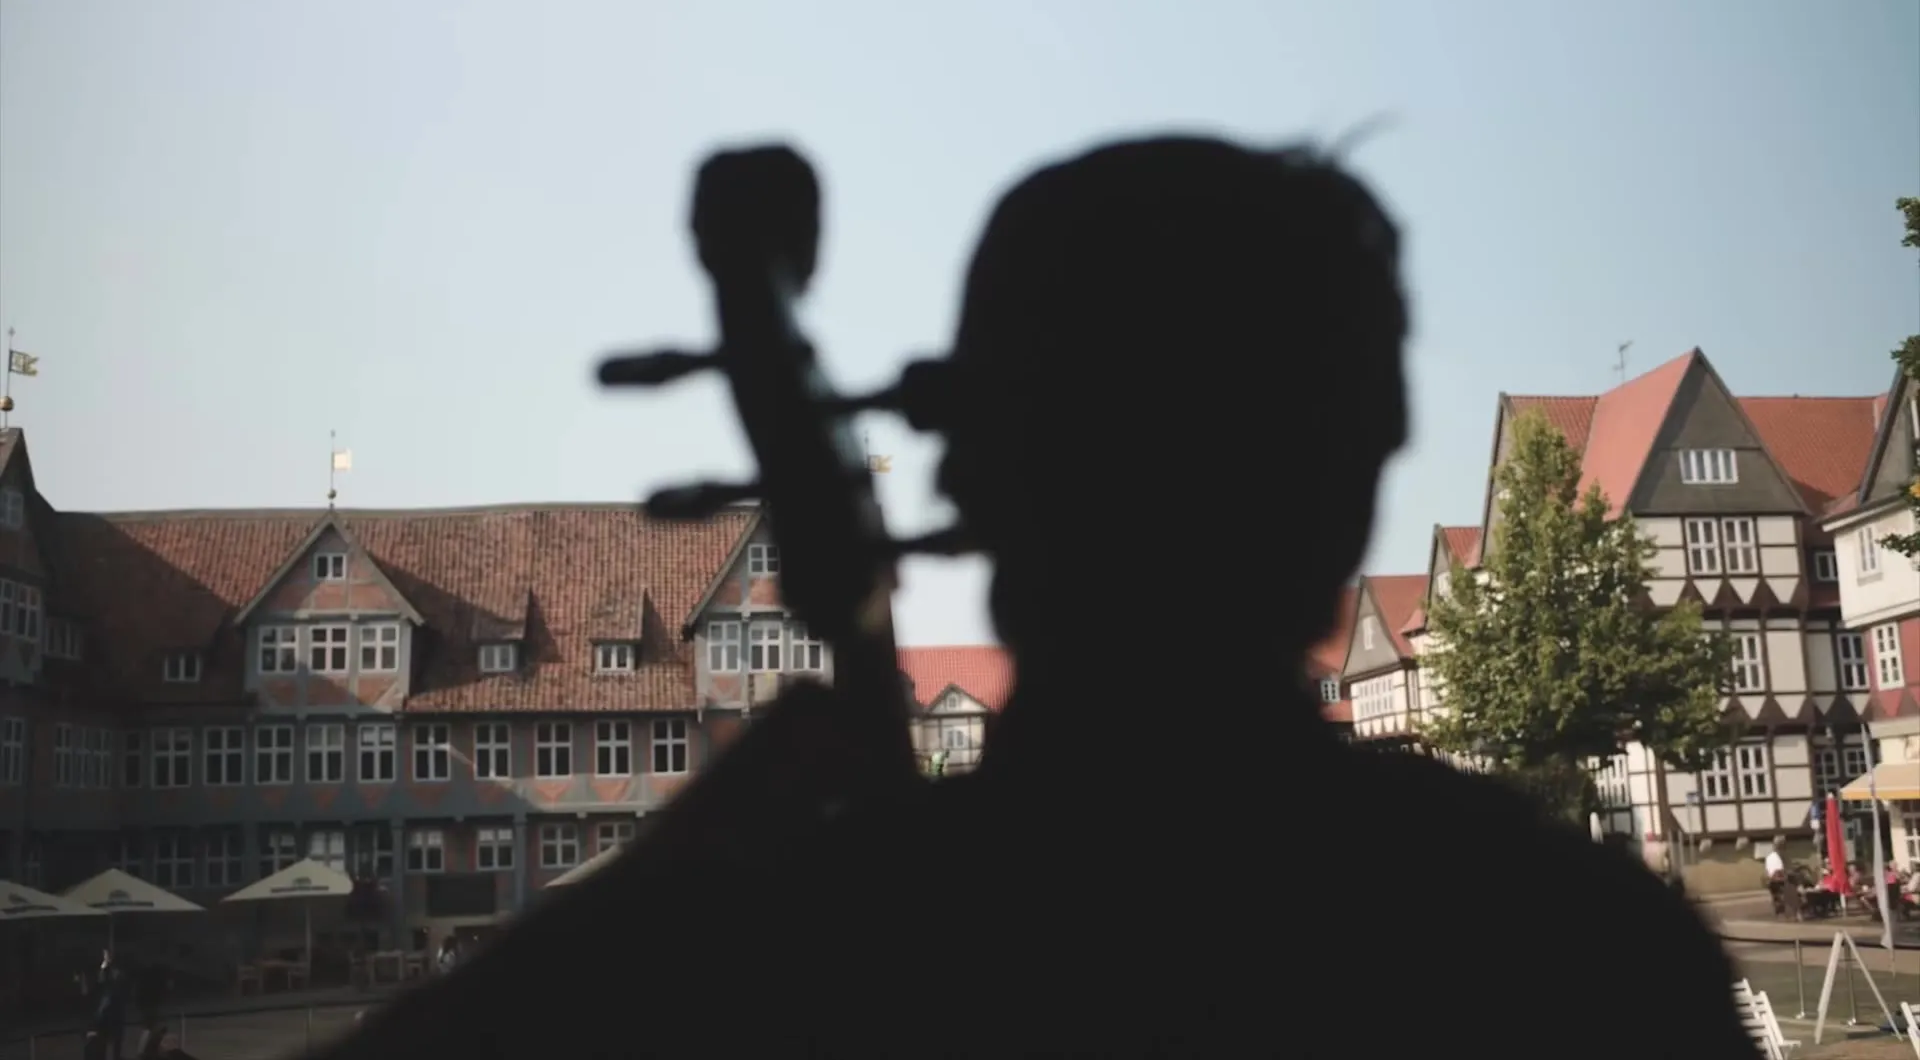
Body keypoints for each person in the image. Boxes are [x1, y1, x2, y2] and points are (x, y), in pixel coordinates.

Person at [316, 136, 1754, 1057]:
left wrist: (621, 929)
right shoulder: (1581, 954)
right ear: (1350, 488)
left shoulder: (787, 955)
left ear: (979, 469)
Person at [83, 952, 130, 1060]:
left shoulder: (115, 983)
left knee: (113, 1043)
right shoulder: (106, 984)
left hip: (113, 1017)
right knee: (104, 1044)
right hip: (108, 1020)